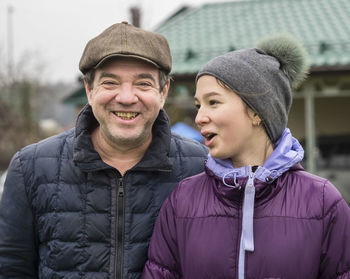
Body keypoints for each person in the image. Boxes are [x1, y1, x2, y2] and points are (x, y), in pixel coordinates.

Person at [0, 22, 208, 278]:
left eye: (143, 84)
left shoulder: (201, 168)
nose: (127, 97)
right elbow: (11, 267)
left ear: (163, 92)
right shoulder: (30, 168)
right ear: (89, 90)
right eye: (110, 83)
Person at [142, 35, 350, 279]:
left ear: (256, 112)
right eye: (199, 105)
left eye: (213, 102)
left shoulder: (324, 202)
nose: (199, 117)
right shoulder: (182, 200)